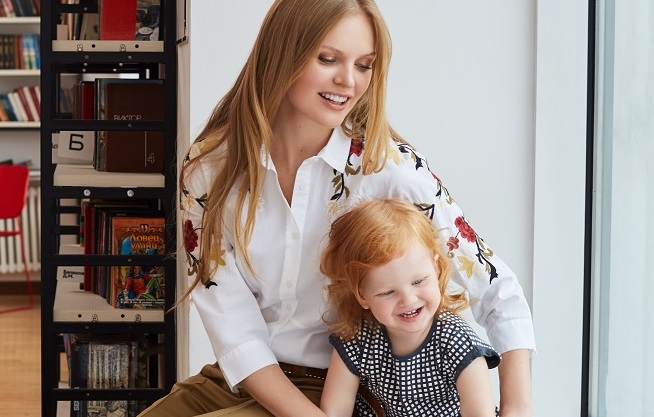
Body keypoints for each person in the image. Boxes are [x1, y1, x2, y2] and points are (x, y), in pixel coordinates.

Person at [139, 0, 535, 416]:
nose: (349, 81)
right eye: (328, 59)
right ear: (282, 54)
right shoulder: (210, 169)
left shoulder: (389, 169)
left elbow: (497, 289)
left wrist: (517, 407)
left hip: (338, 389)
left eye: (364, 65)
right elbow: (232, 322)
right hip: (244, 379)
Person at [320, 198, 500, 417]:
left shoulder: (456, 341)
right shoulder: (358, 339)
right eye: (388, 292)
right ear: (362, 296)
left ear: (436, 269)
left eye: (418, 281)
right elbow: (334, 410)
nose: (408, 300)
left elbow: (480, 413)